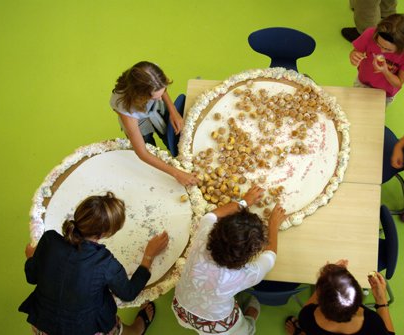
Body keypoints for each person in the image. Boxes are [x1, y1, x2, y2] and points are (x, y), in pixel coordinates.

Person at [19, 192, 169, 335]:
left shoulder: (49, 240)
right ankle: (136, 331)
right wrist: (149, 255)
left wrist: (32, 258)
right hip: (85, 329)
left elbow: (31, 277)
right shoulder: (104, 262)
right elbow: (128, 293)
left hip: (43, 324)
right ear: (104, 234)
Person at [172, 185, 288, 334]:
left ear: (216, 229)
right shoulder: (247, 275)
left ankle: (188, 324)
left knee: (190, 319)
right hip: (214, 322)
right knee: (242, 330)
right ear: (249, 257)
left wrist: (244, 202)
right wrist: (273, 226)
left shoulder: (203, 234)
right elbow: (270, 257)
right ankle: (250, 324)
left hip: (182, 305)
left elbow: (211, 216)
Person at [110, 61, 198, 186]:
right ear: (141, 96)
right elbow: (142, 153)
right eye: (156, 97)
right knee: (149, 147)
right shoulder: (126, 110)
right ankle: (164, 170)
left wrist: (173, 112)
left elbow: (161, 89)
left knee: (170, 133)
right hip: (138, 122)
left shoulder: (152, 75)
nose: (161, 98)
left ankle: (177, 158)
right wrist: (177, 174)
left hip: (154, 109)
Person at [284, 260, 395, 335]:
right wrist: (381, 301)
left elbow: (314, 300)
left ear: (320, 302)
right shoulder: (373, 322)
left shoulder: (307, 317)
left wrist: (326, 280)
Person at [349, 13, 404, 106]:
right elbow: (355, 51)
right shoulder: (370, 33)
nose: (381, 51)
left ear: (402, 46)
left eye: (388, 49)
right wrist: (353, 56)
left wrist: (385, 71)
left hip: (385, 93)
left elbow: (398, 83)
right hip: (362, 82)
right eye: (378, 44)